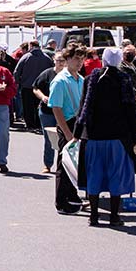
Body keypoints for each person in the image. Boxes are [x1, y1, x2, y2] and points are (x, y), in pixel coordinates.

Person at [75, 48, 136, 227]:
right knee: (115, 175)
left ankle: (93, 216)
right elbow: (129, 110)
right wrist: (133, 135)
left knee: (94, 175)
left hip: (94, 136)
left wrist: (77, 133)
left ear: (103, 60)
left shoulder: (90, 79)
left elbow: (83, 108)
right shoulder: (124, 80)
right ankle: (114, 216)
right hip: (117, 137)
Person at [48, 46, 85, 214]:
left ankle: (72, 194)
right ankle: (61, 201)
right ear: (67, 59)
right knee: (64, 163)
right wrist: (68, 133)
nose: (80, 62)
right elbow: (56, 108)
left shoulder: (81, 79)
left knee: (75, 163)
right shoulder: (60, 80)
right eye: (76, 58)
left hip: (78, 123)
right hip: (67, 123)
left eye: (82, 59)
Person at [31, 51, 65, 173]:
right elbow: (35, 88)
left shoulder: (69, 75)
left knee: (64, 138)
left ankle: (64, 165)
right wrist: (43, 97)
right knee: (49, 139)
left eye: (62, 60)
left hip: (64, 111)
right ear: (53, 60)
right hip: (47, 111)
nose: (60, 63)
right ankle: (47, 164)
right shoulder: (47, 73)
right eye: (58, 60)